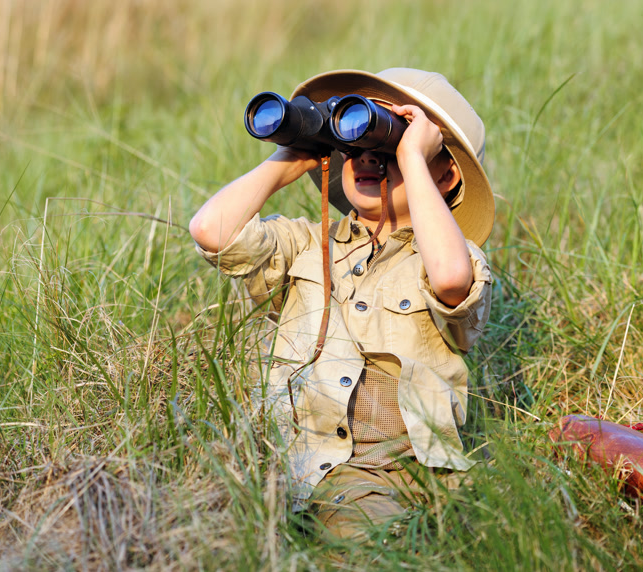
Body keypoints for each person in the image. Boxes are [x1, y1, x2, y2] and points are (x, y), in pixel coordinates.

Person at [189, 68, 494, 541]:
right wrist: (295, 152)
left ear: (445, 174)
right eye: (354, 145)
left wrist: (412, 158)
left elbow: (451, 280)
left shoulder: (449, 258)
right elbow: (212, 231)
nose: (368, 157)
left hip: (413, 473)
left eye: (388, 144)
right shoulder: (307, 244)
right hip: (323, 467)